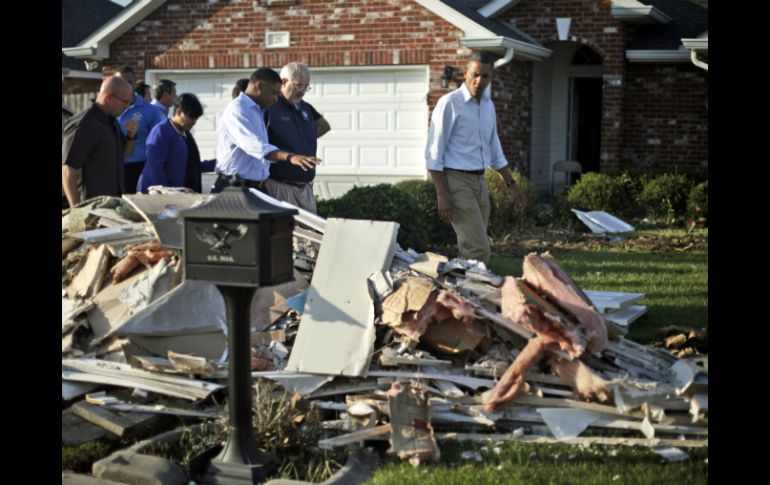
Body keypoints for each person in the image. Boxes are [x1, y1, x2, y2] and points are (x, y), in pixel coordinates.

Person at [425, 52, 523, 264]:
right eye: (475, 75)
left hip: (480, 182)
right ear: (465, 74)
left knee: (470, 250)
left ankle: (463, 293)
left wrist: (512, 185)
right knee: (478, 250)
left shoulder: (488, 106)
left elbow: (495, 150)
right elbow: (434, 153)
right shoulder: (450, 103)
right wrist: (442, 194)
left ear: (491, 77)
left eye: (485, 76)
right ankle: (476, 292)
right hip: (456, 182)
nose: (479, 81)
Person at [212, 67, 320, 193]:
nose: (276, 99)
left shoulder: (259, 110)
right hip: (233, 188)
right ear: (259, 86)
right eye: (274, 93)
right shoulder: (237, 110)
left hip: (258, 186)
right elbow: (256, 147)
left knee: (284, 214)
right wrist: (291, 157)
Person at [264, 62, 331, 213]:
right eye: (298, 85)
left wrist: (302, 141)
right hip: (280, 186)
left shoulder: (305, 107)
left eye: (306, 86)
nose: (302, 91)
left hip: (306, 188)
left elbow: (324, 126)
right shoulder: (270, 106)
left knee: (311, 235)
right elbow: (260, 146)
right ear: (283, 82)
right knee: (283, 235)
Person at [62, 76, 138, 206]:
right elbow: (67, 171)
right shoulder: (84, 124)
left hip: (112, 203)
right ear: (108, 97)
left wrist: (132, 137)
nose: (127, 107)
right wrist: (78, 211)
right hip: (90, 207)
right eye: (125, 102)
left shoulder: (111, 121)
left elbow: (124, 154)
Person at [137, 93, 216, 193]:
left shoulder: (186, 134)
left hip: (179, 195)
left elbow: (192, 165)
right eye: (191, 117)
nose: (194, 122)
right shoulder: (161, 131)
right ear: (179, 111)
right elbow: (155, 167)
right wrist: (167, 193)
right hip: (158, 197)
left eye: (196, 118)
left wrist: (220, 163)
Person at [114, 65, 166, 194]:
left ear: (135, 84)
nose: (125, 86)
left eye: (129, 82)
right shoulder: (110, 109)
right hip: (112, 167)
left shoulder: (151, 111)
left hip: (138, 168)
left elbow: (159, 142)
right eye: (120, 82)